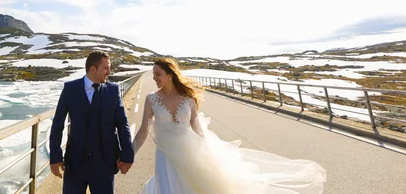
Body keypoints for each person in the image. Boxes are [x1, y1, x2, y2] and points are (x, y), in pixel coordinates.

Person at [132, 58, 327, 194]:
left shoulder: (188, 99)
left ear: (170, 74)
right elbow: (143, 131)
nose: (154, 78)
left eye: (158, 74)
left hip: (190, 154)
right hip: (165, 156)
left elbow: (198, 130)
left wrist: (209, 154)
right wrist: (128, 153)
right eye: (153, 75)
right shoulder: (151, 100)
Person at [49, 50, 134, 194]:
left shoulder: (113, 90)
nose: (109, 71)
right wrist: (55, 157)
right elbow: (58, 124)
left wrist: (127, 154)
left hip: (104, 164)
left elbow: (122, 124)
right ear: (93, 69)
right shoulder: (70, 89)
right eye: (106, 67)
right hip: (75, 164)